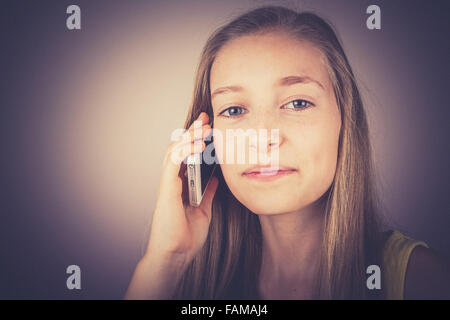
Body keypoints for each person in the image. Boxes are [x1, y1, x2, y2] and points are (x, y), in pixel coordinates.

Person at [124, 5, 450, 300]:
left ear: (344, 121)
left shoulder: (418, 281)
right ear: (206, 139)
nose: (262, 138)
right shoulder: (177, 285)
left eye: (297, 103)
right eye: (235, 110)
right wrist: (166, 260)